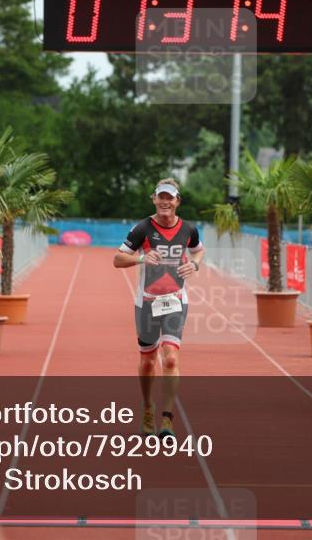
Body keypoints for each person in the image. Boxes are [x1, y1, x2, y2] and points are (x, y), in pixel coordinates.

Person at [113, 178, 205, 438]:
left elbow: (199, 251)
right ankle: (147, 406)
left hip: (176, 300)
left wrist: (194, 265)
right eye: (161, 197)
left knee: (172, 358)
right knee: (147, 361)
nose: (165, 201)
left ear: (178, 201)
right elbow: (117, 259)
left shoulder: (189, 229)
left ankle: (167, 419)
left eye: (170, 197)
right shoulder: (142, 228)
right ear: (154, 199)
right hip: (147, 302)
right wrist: (141, 258)